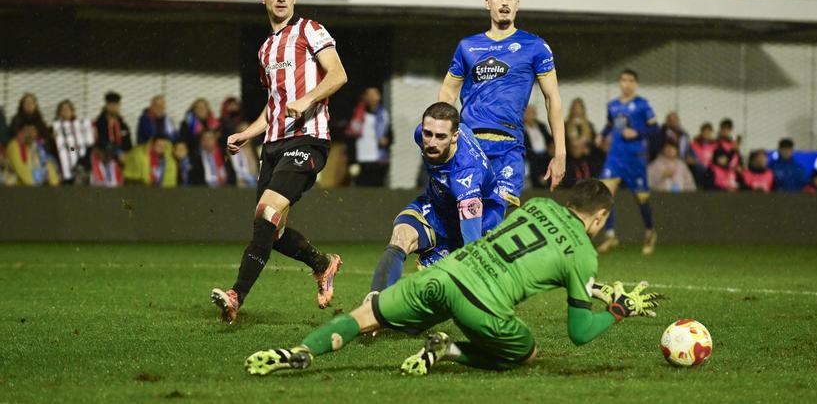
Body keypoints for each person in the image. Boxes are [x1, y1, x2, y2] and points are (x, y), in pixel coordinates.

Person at [243, 179, 663, 377]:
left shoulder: (537, 206)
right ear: (601, 216)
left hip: (446, 272)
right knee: (527, 354)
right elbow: (579, 332)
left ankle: (300, 351)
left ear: (569, 201)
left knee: (366, 313)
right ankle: (452, 352)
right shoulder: (584, 254)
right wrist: (618, 309)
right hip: (482, 304)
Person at [212, 0, 348, 324]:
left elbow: (338, 75)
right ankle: (322, 263)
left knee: (267, 213)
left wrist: (306, 100)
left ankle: (235, 296)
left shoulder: (311, 30)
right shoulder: (266, 49)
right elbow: (274, 104)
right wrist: (247, 133)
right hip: (271, 146)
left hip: (308, 139)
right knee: (271, 231)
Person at [438, 0, 566, 207]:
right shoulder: (467, 46)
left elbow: (552, 98)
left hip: (509, 146)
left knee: (496, 215)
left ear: (518, 4)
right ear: (488, 3)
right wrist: (444, 132)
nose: (505, 3)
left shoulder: (535, 46)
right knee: (468, 215)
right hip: (470, 144)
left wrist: (560, 153)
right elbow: (448, 90)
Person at [368, 102, 506, 295]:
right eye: (428, 133)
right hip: (437, 205)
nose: (431, 142)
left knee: (453, 282)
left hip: (479, 220)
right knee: (401, 236)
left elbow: (472, 244)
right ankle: (376, 302)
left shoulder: (466, 178)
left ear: (454, 136)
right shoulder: (421, 134)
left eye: (441, 137)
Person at [595, 69, 659, 255]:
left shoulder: (642, 105)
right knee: (605, 194)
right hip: (615, 157)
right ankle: (610, 235)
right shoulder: (613, 105)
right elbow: (612, 124)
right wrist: (602, 135)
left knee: (641, 198)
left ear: (635, 83)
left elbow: (655, 129)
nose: (627, 84)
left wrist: (638, 133)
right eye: (624, 80)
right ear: (619, 82)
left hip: (635, 158)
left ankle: (650, 232)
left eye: (630, 80)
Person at [346, 87, 392, 187]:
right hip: (361, 158)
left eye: (375, 95)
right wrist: (352, 159)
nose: (372, 98)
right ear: (365, 97)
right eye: (369, 95)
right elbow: (350, 136)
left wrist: (386, 141)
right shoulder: (357, 114)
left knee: (377, 189)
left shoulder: (384, 115)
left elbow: (390, 135)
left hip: (378, 159)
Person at [4, 121, 59, 187]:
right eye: (27, 130)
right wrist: (34, 187)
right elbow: (20, 168)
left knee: (52, 161)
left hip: (38, 184)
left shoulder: (37, 145)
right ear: (21, 132)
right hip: (19, 186)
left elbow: (46, 165)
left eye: (33, 131)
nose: (30, 134)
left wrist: (55, 184)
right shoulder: (14, 145)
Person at [52, 99, 94, 185]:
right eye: (63, 109)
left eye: (68, 109)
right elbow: (67, 148)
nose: (66, 111)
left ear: (72, 111)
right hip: (64, 168)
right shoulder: (54, 129)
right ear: (59, 113)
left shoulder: (80, 127)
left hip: (81, 164)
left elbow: (86, 145)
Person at [94, 91, 132, 158]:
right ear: (106, 105)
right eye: (111, 104)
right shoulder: (98, 124)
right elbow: (99, 144)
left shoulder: (123, 125)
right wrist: (117, 153)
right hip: (104, 157)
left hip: (123, 158)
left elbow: (128, 145)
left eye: (116, 104)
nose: (114, 107)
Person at [523, 105, 552, 189]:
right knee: (533, 162)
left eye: (532, 113)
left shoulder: (541, 126)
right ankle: (538, 181)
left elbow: (549, 139)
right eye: (527, 113)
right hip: (531, 155)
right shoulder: (521, 128)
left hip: (545, 154)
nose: (530, 115)